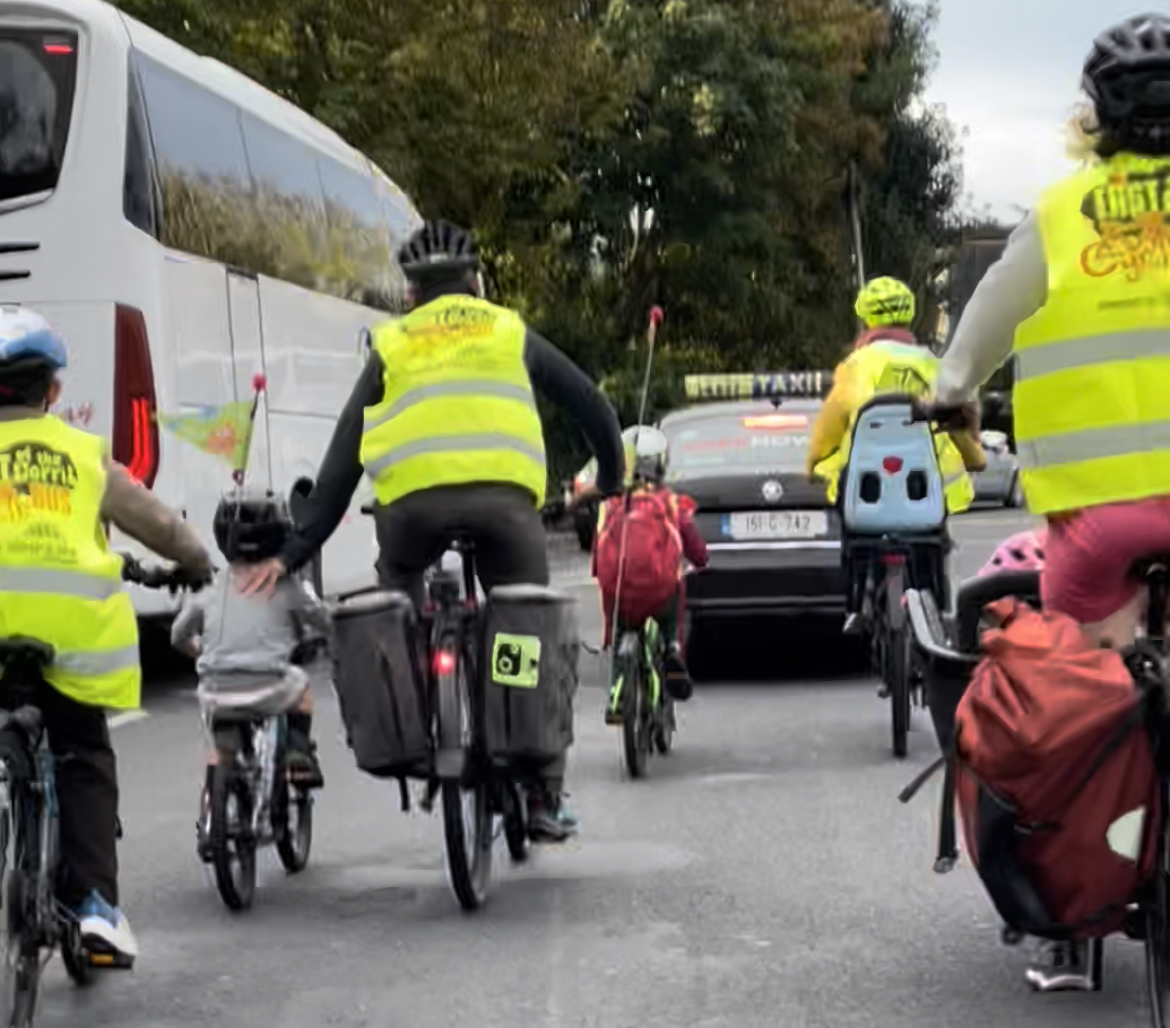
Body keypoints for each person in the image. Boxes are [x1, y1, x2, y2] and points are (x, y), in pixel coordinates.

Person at [234, 220, 624, 843]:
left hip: (410, 514)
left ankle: (415, 699)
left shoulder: (393, 342)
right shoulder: (506, 330)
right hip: (506, 510)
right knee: (524, 624)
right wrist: (610, 476)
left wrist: (295, 549)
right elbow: (590, 404)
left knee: (399, 595)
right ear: (477, 284)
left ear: (411, 295)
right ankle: (542, 788)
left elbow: (343, 459)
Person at [933, 13, 1170, 992]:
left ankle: (1065, 931)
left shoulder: (1065, 211)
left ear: (1095, 117)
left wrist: (954, 388)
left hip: (1103, 523)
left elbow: (986, 321)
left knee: (1067, 693)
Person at [0, 305, 212, 966]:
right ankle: (94, 908)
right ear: (55, 392)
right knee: (83, 758)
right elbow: (157, 523)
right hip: (70, 640)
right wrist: (197, 562)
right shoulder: (83, 453)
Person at [806, 276, 986, 633]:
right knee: (933, 547)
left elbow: (829, 425)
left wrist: (814, 463)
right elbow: (959, 423)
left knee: (856, 543)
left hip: (866, 490)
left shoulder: (855, 368)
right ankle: (938, 618)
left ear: (865, 317)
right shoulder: (933, 366)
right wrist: (974, 457)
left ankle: (857, 602)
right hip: (926, 489)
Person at [171, 490, 331, 858]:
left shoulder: (211, 589)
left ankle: (211, 818)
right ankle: (297, 751)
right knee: (301, 686)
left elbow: (179, 633)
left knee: (218, 750)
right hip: (269, 686)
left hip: (214, 690)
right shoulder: (289, 586)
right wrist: (333, 641)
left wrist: (202, 653)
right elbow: (323, 620)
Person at [592, 428, 709, 707]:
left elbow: (597, 558)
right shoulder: (669, 501)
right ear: (660, 464)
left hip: (620, 591)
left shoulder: (609, 504)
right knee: (672, 608)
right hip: (660, 591)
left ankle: (617, 695)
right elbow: (693, 545)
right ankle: (672, 648)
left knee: (622, 629)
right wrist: (702, 560)